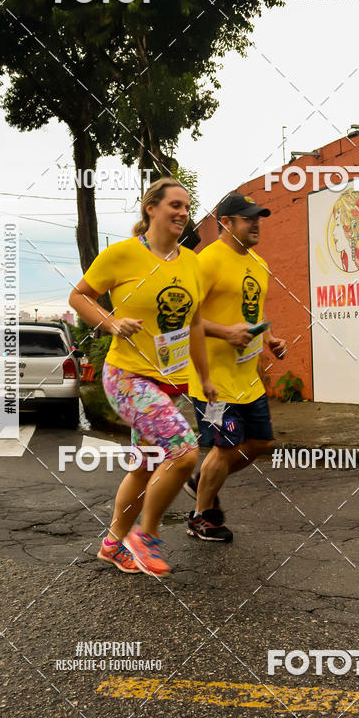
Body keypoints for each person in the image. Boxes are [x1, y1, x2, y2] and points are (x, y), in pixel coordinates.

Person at [69, 178, 216, 578]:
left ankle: (113, 545)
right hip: (128, 377)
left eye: (187, 206)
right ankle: (144, 536)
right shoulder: (121, 255)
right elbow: (78, 296)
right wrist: (111, 321)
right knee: (184, 451)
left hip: (170, 381)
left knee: (146, 466)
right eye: (175, 204)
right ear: (150, 208)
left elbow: (196, 323)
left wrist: (205, 377)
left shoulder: (191, 263)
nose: (183, 213)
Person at [186, 192, 286, 542]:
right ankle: (202, 516)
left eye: (258, 217)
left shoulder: (260, 265)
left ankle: (203, 480)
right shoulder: (205, 261)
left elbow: (254, 312)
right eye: (248, 218)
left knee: (261, 442)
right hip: (211, 378)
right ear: (225, 223)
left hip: (246, 377)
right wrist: (225, 332)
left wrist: (270, 338)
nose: (256, 223)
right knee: (226, 447)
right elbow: (183, 319)